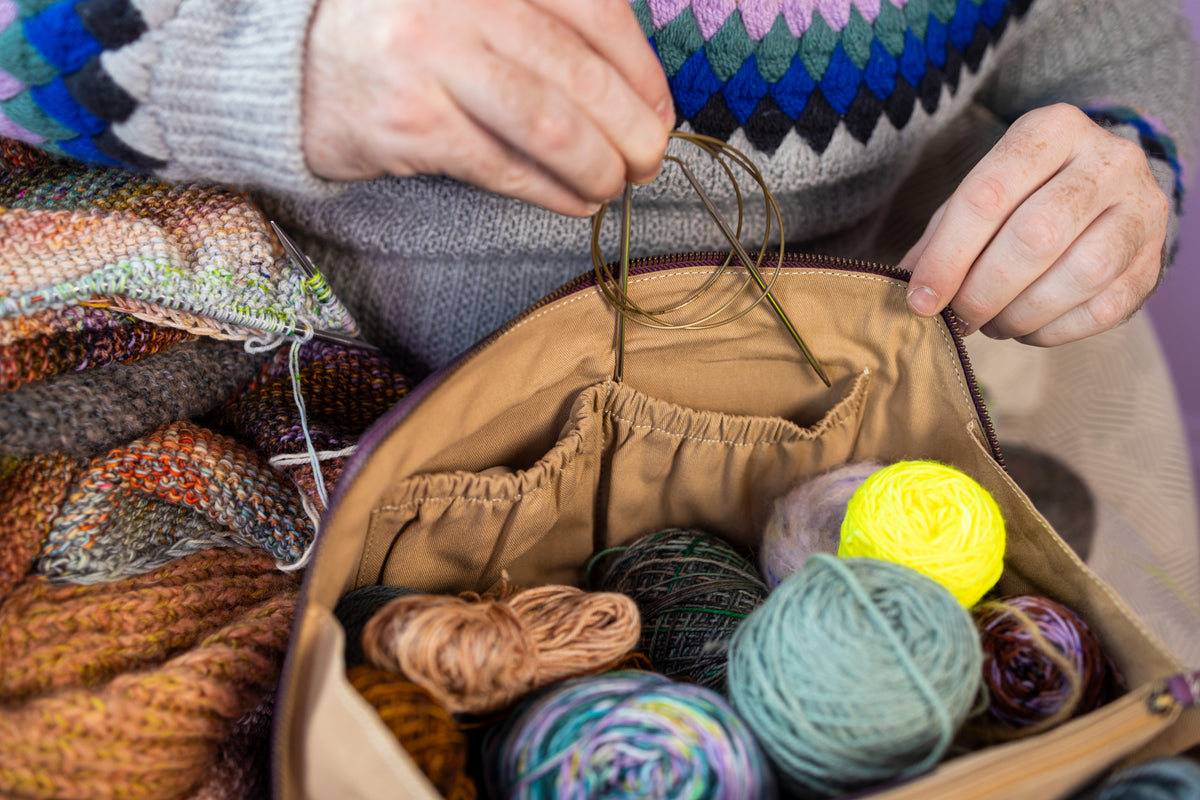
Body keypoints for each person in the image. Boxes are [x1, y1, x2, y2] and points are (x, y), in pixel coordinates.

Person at [2, 0, 1199, 660]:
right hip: (288, 441)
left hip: (771, 473)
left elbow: (1131, 45)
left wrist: (1132, 163)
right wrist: (282, 59)